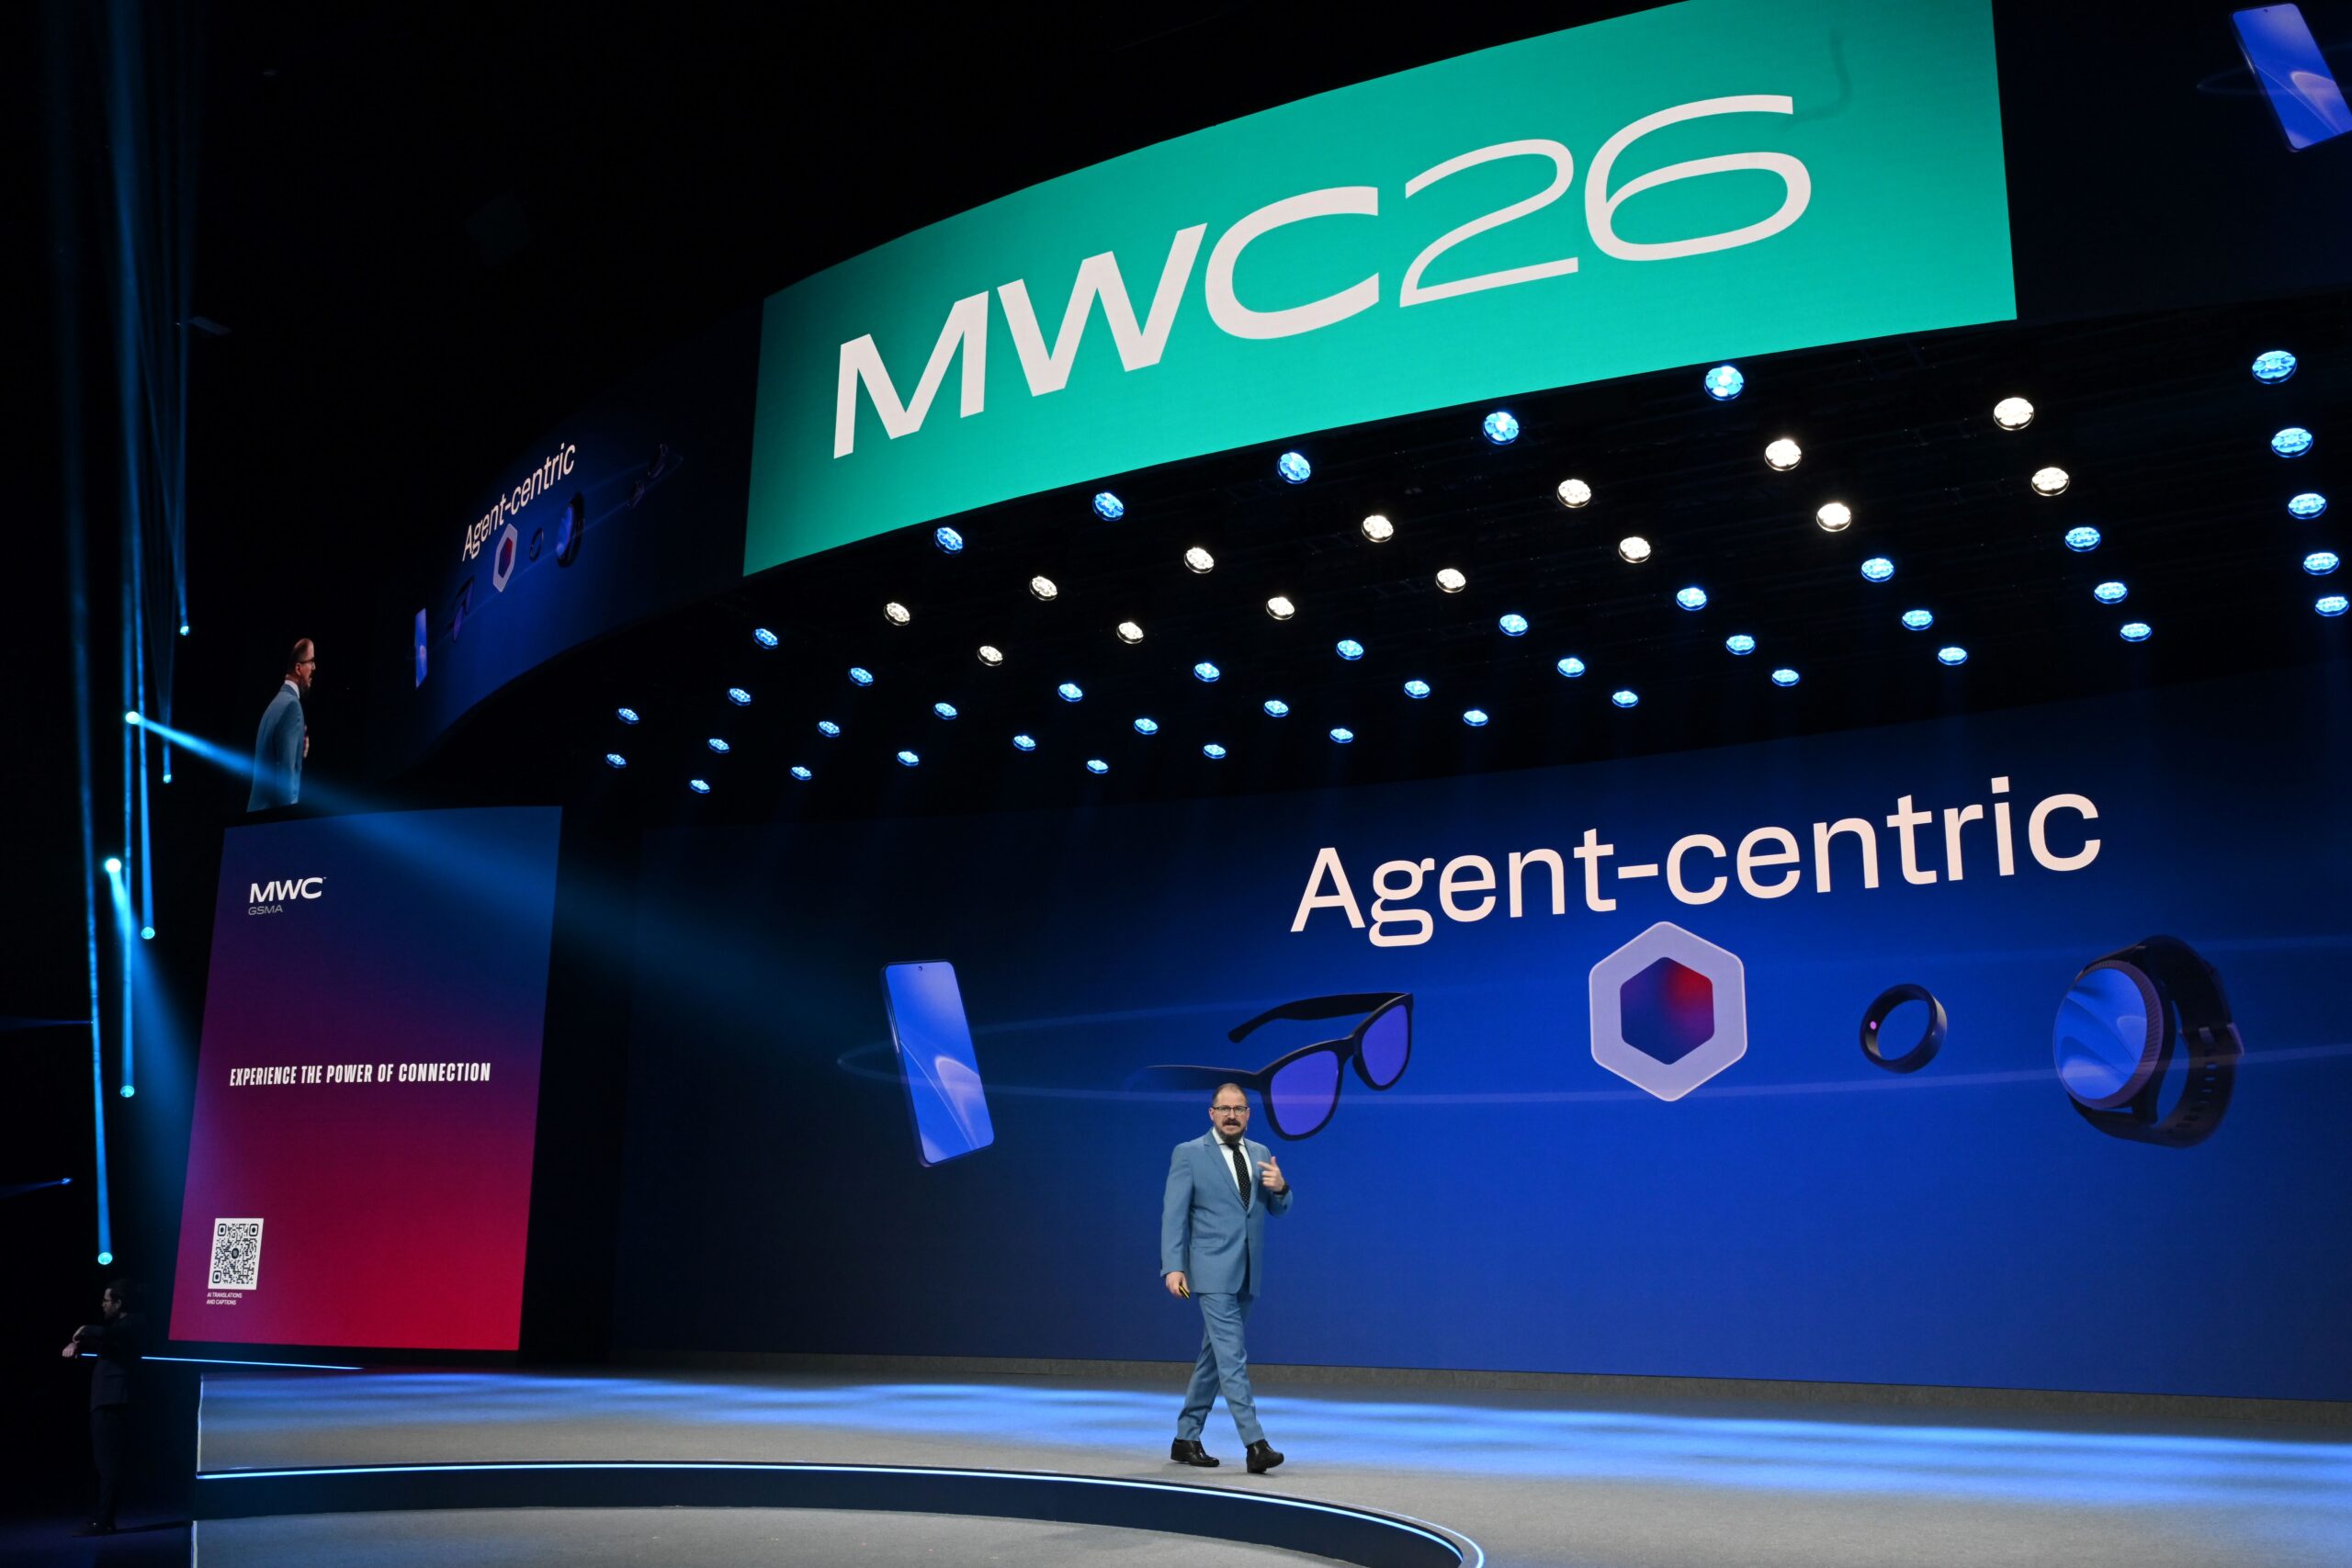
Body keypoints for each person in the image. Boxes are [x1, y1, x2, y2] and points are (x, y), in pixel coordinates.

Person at [1159, 1082, 1292, 1473]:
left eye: (1239, 1108)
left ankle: (1185, 1437)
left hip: (1249, 1270)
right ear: (1212, 1113)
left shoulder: (1261, 1153)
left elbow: (1278, 1209)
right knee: (1232, 1357)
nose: (1232, 1115)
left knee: (1215, 1357)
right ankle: (1255, 1444)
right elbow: (1173, 1215)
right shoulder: (1189, 1153)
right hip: (1211, 1270)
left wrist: (1282, 1188)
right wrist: (1173, 1266)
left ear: (1248, 1114)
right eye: (1224, 1108)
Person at [60, 1279, 143, 1535]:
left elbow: (109, 1335)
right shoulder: (116, 1329)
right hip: (104, 1401)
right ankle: (104, 1518)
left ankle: (104, 1520)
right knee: (104, 1463)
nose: (103, 1305)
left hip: (113, 1400)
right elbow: (103, 1340)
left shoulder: (133, 1323)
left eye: (106, 1301)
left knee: (109, 1464)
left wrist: (85, 1329)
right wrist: (77, 1343)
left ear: (119, 1303)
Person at [248, 638, 316, 810]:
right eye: (311, 662)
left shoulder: (274, 705)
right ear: (298, 668)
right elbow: (286, 782)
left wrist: (298, 754)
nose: (314, 668)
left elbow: (277, 761)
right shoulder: (292, 706)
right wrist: (290, 821)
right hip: (273, 822)